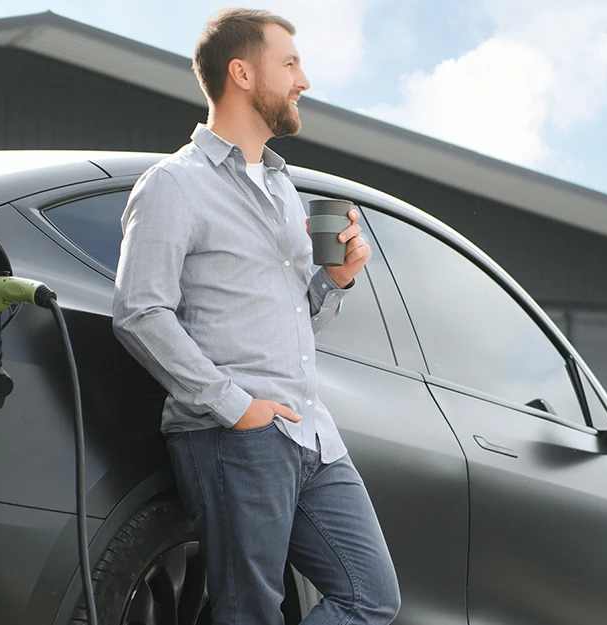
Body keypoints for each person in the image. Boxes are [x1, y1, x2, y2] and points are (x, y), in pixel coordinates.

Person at [111, 8, 401, 625]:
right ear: (242, 73)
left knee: (372, 598)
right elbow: (140, 313)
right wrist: (235, 407)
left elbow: (292, 318)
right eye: (289, 64)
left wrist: (335, 281)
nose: (304, 81)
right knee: (249, 614)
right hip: (234, 435)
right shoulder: (174, 185)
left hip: (311, 434)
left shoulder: (282, 188)